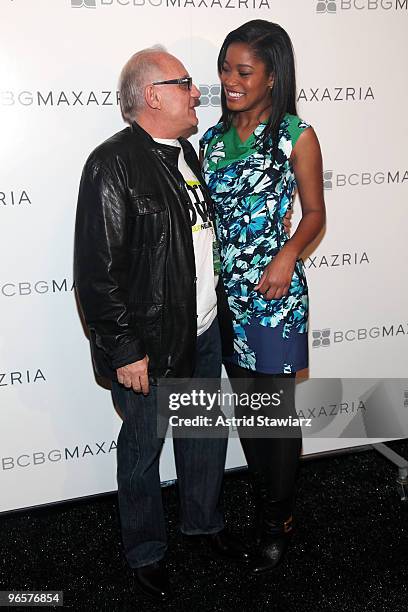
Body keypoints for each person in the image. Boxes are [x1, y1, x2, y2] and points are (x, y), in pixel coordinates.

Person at [74, 46, 246, 602]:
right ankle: (145, 552)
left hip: (201, 332)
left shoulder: (187, 154)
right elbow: (98, 273)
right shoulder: (113, 164)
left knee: (202, 436)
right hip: (149, 345)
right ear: (153, 95)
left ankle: (201, 525)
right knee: (142, 451)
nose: (199, 92)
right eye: (186, 83)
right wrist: (123, 350)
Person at [200, 20, 326, 574]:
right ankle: (265, 503)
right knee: (250, 414)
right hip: (226, 300)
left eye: (243, 71)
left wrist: (287, 255)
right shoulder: (208, 141)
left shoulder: (295, 134)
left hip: (274, 297)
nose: (230, 80)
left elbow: (316, 214)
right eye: (226, 68)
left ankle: (278, 520)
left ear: (272, 76)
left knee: (274, 415)